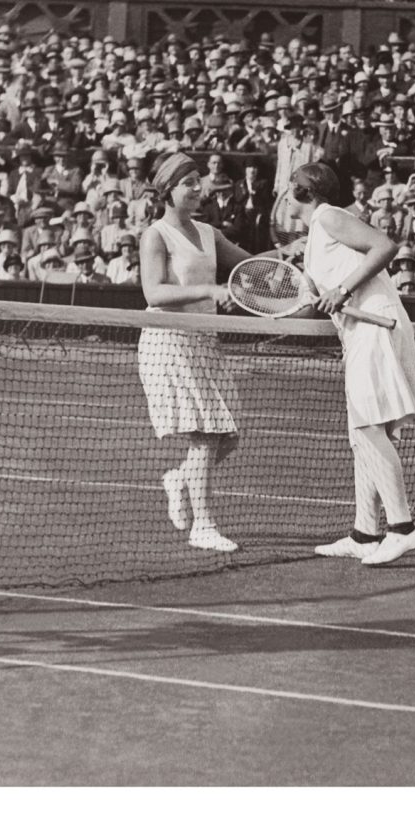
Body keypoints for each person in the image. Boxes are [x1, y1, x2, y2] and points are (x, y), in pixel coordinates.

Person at [287, 163, 415, 566]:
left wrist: (344, 289)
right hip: (357, 333)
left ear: (303, 191)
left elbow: (385, 246)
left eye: (290, 186)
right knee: (363, 434)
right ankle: (365, 533)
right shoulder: (314, 235)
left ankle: (402, 528)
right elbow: (317, 301)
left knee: (368, 427)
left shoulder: (329, 216)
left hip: (377, 326)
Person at [138, 153, 253, 553]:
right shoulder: (155, 235)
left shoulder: (209, 233)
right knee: (206, 433)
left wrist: (294, 254)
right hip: (168, 341)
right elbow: (153, 292)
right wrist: (210, 290)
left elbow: (250, 267)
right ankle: (202, 526)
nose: (198, 188)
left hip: (205, 339)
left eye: (198, 180)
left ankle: (180, 478)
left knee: (229, 436)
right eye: (188, 182)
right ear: (168, 190)